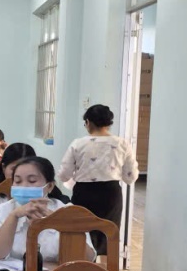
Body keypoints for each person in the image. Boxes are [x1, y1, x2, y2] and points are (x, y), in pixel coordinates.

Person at [57, 104, 139, 255]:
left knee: (82, 233)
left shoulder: (78, 144)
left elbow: (64, 174)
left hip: (84, 193)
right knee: (108, 233)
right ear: (109, 123)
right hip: (110, 193)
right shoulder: (122, 143)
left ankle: (82, 263)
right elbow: (130, 176)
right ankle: (107, 266)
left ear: (88, 122)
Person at [0, 157, 95, 265]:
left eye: (32, 181)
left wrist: (61, 225)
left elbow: (87, 259)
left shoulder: (68, 212)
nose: (24, 186)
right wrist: (14, 216)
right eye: (17, 181)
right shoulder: (1, 211)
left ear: (50, 186)